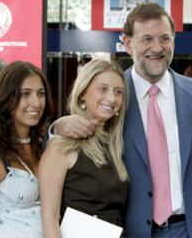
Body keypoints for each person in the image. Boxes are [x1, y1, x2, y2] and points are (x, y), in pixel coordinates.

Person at [52, 2, 192, 237]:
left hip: (188, 228)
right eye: (146, 39)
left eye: (165, 38)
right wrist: (58, 127)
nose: (157, 48)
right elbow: (77, 138)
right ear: (127, 43)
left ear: (174, 41)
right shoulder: (112, 94)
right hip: (130, 230)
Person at [40, 59, 129, 237]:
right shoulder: (62, 146)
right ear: (82, 94)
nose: (111, 98)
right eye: (102, 89)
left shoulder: (115, 145)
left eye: (118, 92)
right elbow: (50, 219)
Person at [0, 61, 53, 238]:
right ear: (7, 97)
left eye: (41, 93)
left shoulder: (43, 147)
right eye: (25, 94)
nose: (36, 102)